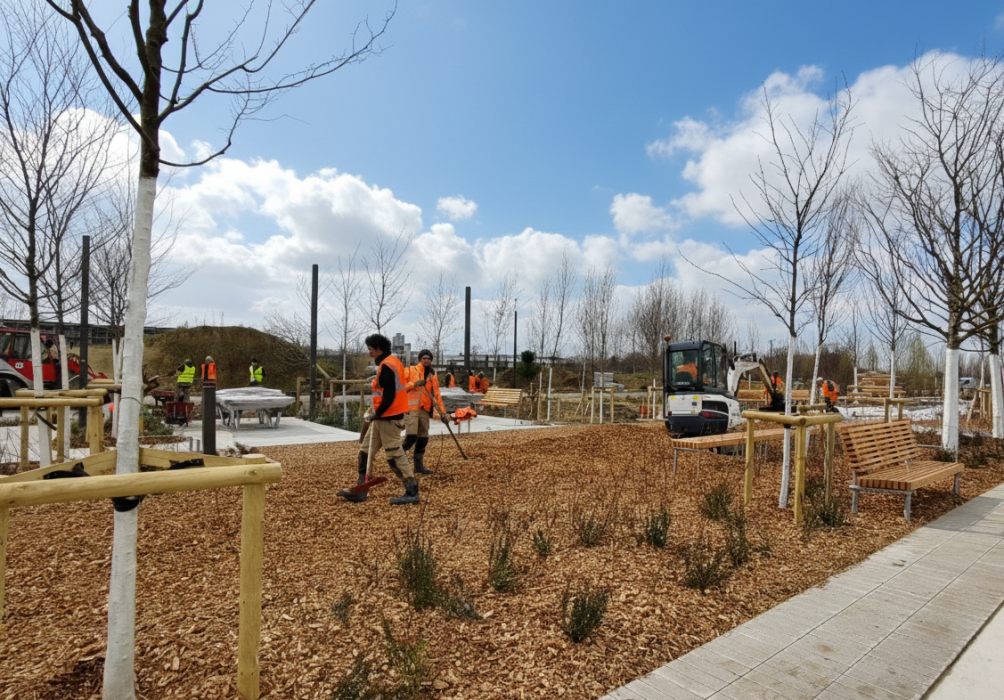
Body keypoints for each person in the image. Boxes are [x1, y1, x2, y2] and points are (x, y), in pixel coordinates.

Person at [339, 333, 419, 505]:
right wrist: (376, 414)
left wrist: (378, 413)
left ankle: (411, 491)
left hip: (390, 418)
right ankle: (361, 490)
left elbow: (390, 395)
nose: (369, 353)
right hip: (382, 418)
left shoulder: (387, 366)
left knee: (394, 455)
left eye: (371, 349)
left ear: (379, 349)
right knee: (364, 452)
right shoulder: (393, 362)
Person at [403, 349, 450, 475]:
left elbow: (437, 395)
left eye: (429, 358)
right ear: (420, 359)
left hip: (424, 409)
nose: (427, 360)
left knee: (423, 438)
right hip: (412, 409)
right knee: (411, 436)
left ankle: (418, 467)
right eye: (424, 358)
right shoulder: (410, 370)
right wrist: (414, 384)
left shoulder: (432, 375)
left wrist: (443, 413)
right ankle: (397, 459)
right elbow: (400, 387)